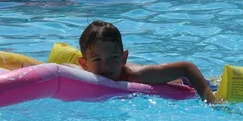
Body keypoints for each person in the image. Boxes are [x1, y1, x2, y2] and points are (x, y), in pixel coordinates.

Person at [77, 20, 220, 104]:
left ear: (124, 58)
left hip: (188, 82)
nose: (106, 65)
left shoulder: (136, 75)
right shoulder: (80, 73)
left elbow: (187, 68)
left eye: (113, 57)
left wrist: (209, 99)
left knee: (217, 85)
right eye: (97, 59)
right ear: (84, 64)